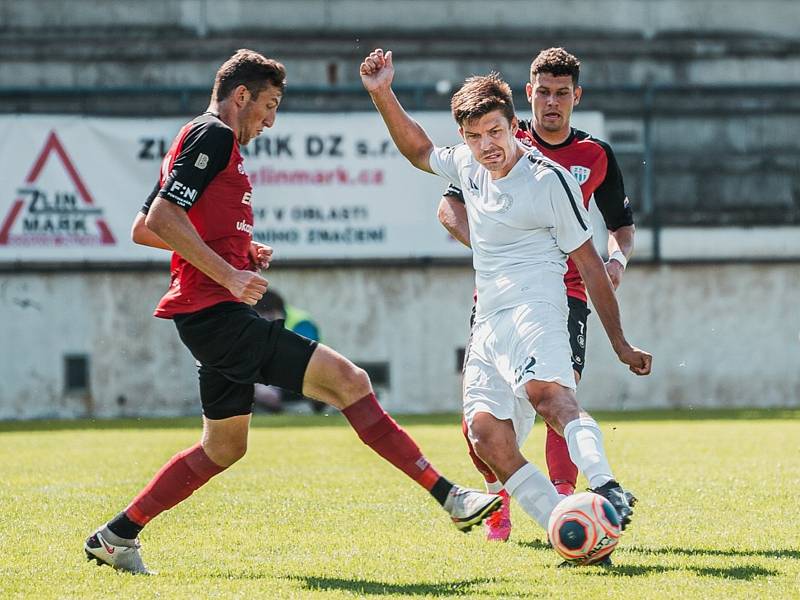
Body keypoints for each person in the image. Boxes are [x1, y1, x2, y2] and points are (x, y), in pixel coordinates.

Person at [84, 49, 501, 575]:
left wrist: (238, 253)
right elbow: (163, 218)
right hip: (217, 314)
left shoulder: (199, 137)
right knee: (350, 381)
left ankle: (116, 535)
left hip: (207, 317)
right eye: (269, 105)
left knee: (223, 447)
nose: (271, 119)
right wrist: (229, 274)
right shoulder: (213, 135)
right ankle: (450, 498)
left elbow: (144, 226)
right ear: (242, 96)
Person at [360, 48, 651, 545]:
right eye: (474, 136)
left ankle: (605, 485)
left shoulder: (548, 180)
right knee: (484, 435)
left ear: (513, 125)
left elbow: (588, 264)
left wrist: (621, 343)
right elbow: (418, 151)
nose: (486, 145)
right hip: (488, 319)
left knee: (550, 398)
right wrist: (382, 92)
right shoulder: (468, 166)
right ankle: (565, 524)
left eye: (495, 132)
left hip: (539, 306)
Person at [437, 47, 636, 542]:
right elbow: (448, 209)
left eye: (561, 93)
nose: (551, 102)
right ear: (528, 93)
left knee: (554, 397)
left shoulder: (595, 155)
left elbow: (621, 228)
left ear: (576, 96)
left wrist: (617, 261)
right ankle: (504, 497)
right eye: (542, 92)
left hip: (563, 294)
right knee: (481, 430)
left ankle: (576, 507)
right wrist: (498, 245)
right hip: (497, 296)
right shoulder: (497, 138)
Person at [252, 289, 326, 413]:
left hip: (303, 376)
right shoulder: (252, 324)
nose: (266, 321)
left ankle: (313, 410)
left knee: (315, 386)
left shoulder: (301, 322)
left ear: (278, 312)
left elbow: (306, 358)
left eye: (269, 316)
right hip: (271, 380)